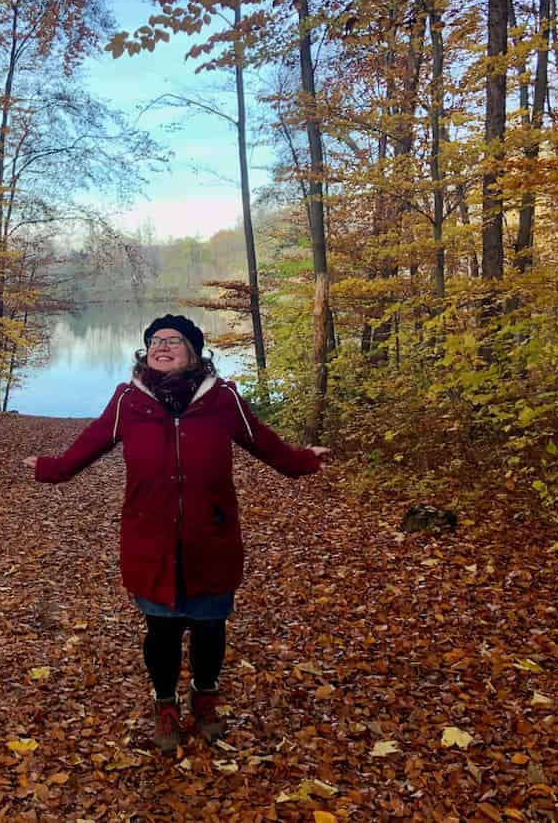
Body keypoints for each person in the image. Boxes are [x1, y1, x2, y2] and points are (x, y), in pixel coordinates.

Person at [23, 314, 329, 753]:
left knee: (209, 628)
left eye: (174, 341)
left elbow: (263, 441)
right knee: (162, 630)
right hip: (150, 538)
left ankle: (205, 698)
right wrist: (53, 469)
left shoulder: (222, 398)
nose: (162, 347)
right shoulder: (130, 399)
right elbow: (91, 442)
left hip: (212, 537)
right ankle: (165, 704)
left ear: (194, 351)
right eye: (154, 341)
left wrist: (301, 461)